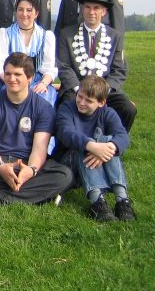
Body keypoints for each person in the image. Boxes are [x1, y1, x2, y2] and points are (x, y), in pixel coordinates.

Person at [0, 53, 74, 209]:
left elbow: (39, 148)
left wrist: (31, 171)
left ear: (30, 78)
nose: (11, 79)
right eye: (8, 74)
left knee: (64, 176)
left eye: (17, 74)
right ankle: (40, 195)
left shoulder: (43, 108)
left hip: (29, 162)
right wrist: (1, 168)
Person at [55, 75, 135, 222]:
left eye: (88, 101)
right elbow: (66, 133)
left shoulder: (108, 113)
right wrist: (92, 146)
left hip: (96, 160)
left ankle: (122, 199)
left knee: (110, 142)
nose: (82, 102)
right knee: (83, 143)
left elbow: (123, 136)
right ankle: (97, 200)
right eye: (80, 96)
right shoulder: (67, 108)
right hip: (68, 162)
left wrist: (108, 147)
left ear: (101, 102)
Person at [56, 0, 136, 132]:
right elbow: (64, 67)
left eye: (96, 8)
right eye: (87, 7)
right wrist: (79, 89)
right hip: (76, 88)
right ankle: (68, 149)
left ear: (103, 12)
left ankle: (111, 146)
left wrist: (103, 91)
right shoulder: (67, 34)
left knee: (128, 108)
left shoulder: (114, 36)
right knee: (67, 105)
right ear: (82, 9)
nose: (91, 12)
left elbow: (120, 69)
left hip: (105, 89)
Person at [0, 0, 58, 105]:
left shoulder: (46, 36)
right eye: (20, 10)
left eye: (29, 10)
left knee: (44, 98)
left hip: (37, 81)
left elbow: (49, 68)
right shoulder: (4, 34)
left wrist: (43, 83)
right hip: (11, 80)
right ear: (15, 12)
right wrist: (12, 81)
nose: (24, 14)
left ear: (36, 13)